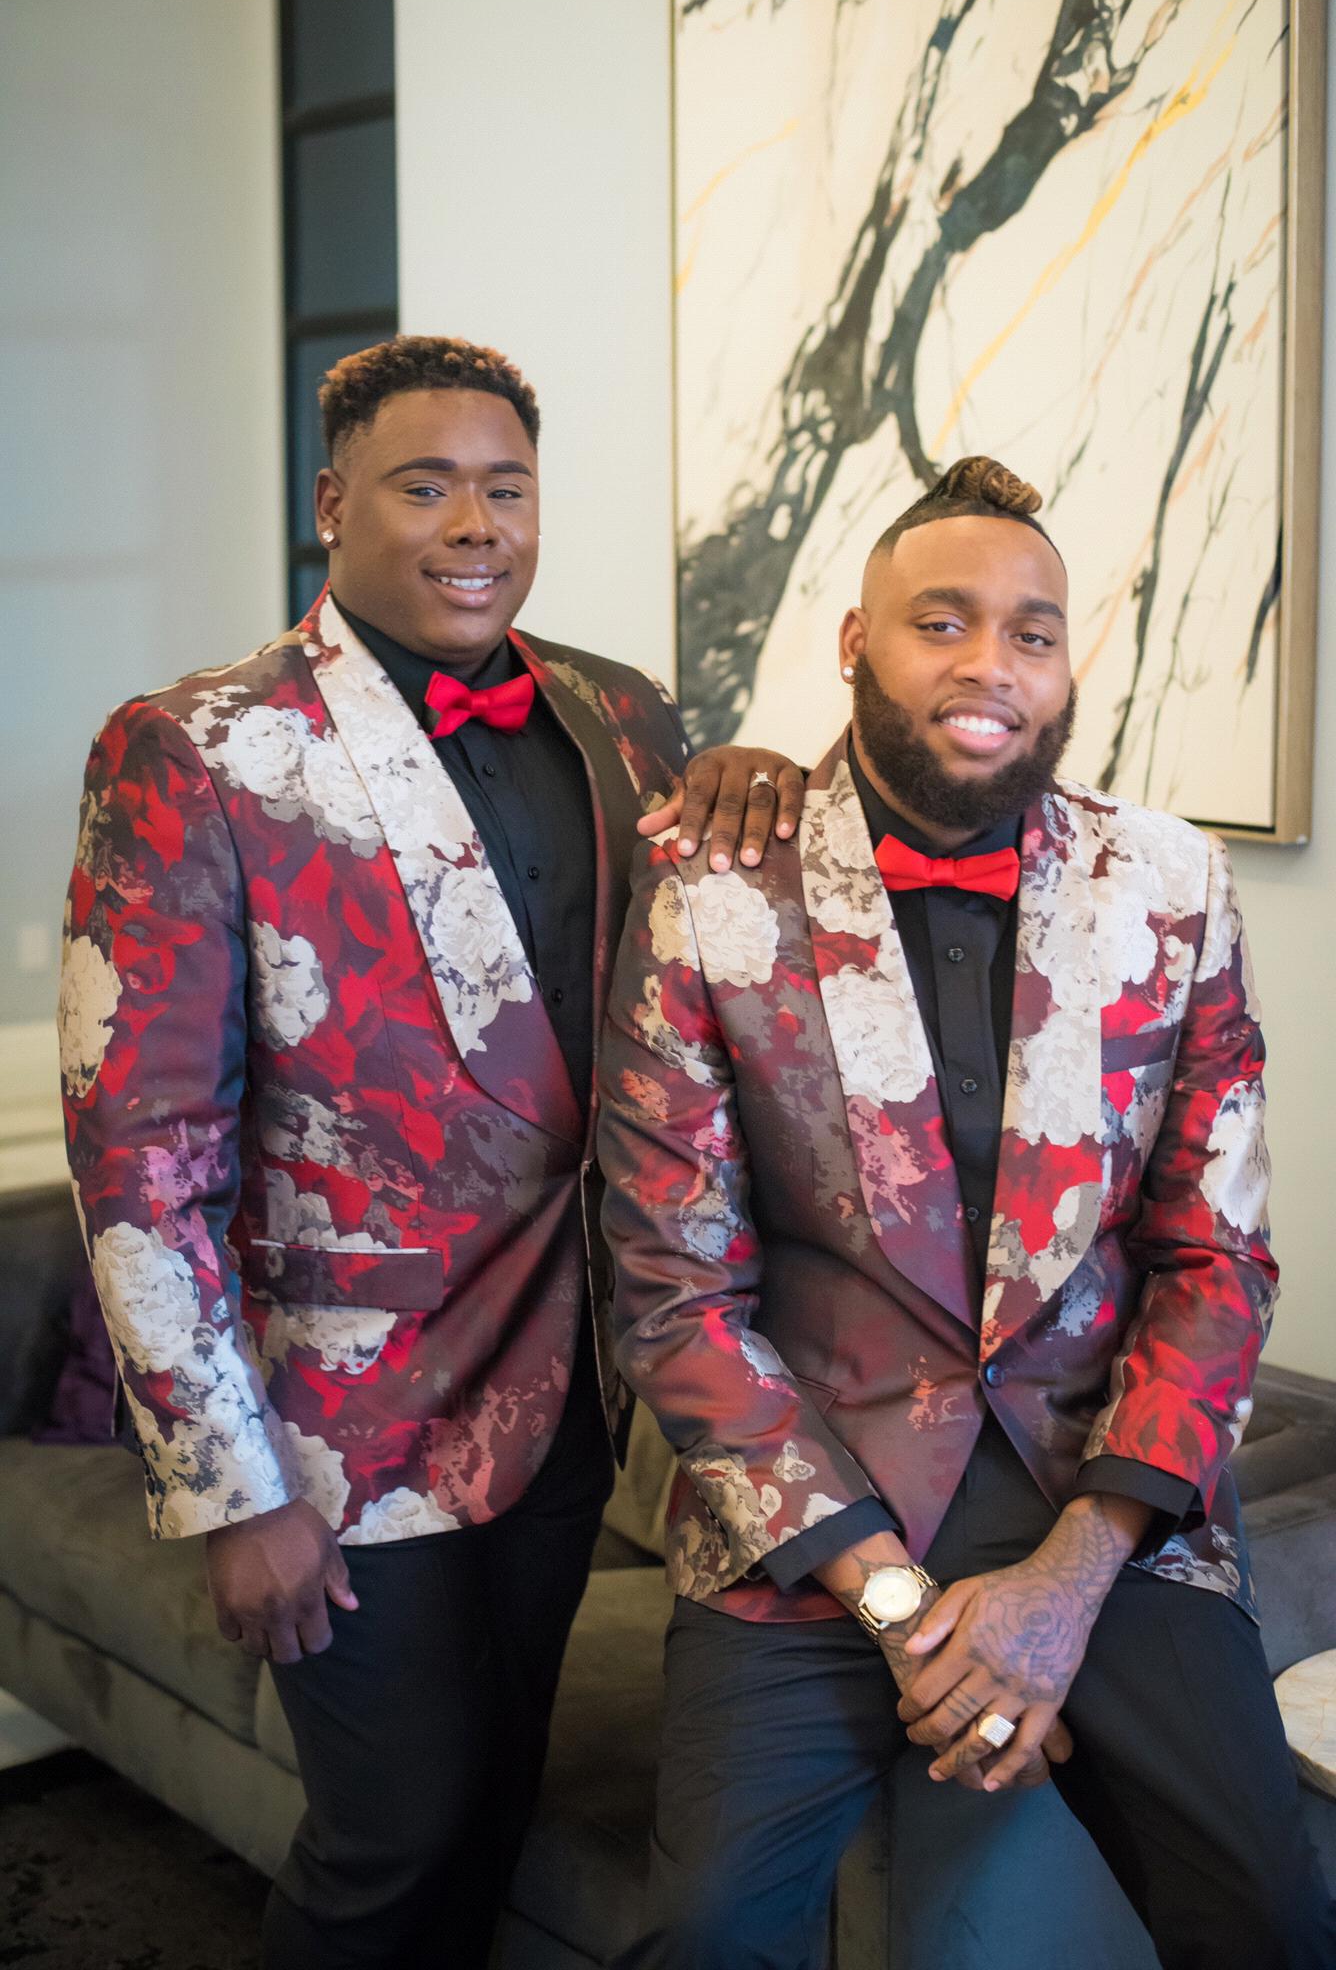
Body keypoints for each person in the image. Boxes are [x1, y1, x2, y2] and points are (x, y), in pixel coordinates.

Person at [57, 334, 804, 1970]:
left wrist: (759, 781)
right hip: (341, 1429)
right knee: (386, 1846)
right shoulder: (193, 747)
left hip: (579, 1387)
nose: (476, 524)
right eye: (427, 486)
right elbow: (140, 1155)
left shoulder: (623, 712)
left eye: (506, 489)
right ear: (335, 504)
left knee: (491, 1810)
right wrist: (230, 1492)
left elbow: (693, 997)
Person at [596, 456, 1336, 1969]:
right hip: (810, 1507)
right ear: (856, 644)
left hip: (1104, 1498)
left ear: (1066, 665)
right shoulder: (714, 893)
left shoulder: (1172, 884)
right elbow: (673, 1297)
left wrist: (1070, 1580)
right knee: (708, 1933)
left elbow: (1217, 1256)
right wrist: (900, 1609)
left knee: (1268, 1909)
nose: (989, 663)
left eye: (1030, 632)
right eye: (941, 621)